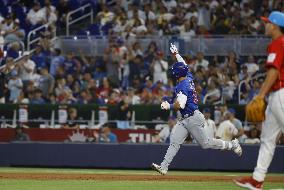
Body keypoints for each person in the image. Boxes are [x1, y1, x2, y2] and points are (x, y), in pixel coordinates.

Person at [151, 43, 242, 175]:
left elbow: (179, 105)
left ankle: (232, 145)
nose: (172, 71)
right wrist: (176, 54)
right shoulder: (188, 76)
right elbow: (183, 64)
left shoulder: (183, 86)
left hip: (193, 117)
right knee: (174, 142)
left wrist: (168, 106)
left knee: (205, 143)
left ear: (177, 73)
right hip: (185, 118)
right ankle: (164, 167)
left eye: (174, 70)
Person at [234, 11, 284, 190]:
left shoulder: (278, 43)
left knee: (268, 139)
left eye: (268, 23)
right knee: (267, 138)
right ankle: (257, 179)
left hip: (281, 94)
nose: (265, 25)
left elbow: (274, 72)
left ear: (275, 26)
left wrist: (260, 95)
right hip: (276, 95)